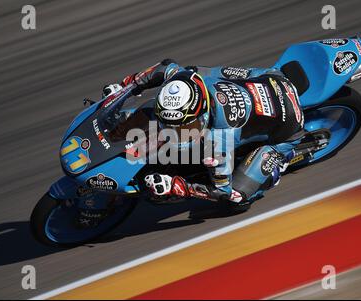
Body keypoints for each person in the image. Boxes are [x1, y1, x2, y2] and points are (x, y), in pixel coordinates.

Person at [102, 59, 304, 208]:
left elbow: (221, 190)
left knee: (236, 198)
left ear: (202, 116)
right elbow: (164, 66)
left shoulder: (221, 140)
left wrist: (177, 186)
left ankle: (280, 162)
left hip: (288, 127)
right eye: (169, 125)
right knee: (199, 70)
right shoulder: (184, 78)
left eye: (182, 127)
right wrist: (123, 88)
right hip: (270, 77)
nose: (173, 133)